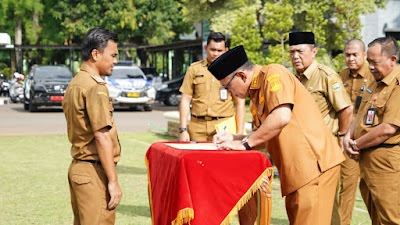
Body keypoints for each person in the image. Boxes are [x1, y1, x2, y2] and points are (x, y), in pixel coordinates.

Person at [209, 45, 345, 225]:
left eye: (227, 86)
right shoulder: (256, 94)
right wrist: (236, 138)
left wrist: (245, 144)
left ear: (241, 76)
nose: (228, 93)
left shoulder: (273, 74)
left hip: (313, 166)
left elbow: (281, 117)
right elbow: (267, 134)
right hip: (297, 171)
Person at [289, 31, 353, 225]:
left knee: (326, 201)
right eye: (292, 52)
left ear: (314, 51)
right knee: (306, 201)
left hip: (324, 148)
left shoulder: (326, 75)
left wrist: (341, 136)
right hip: (303, 150)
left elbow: (346, 109)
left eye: (300, 51)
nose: (295, 56)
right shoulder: (294, 78)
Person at [62, 27, 122, 225]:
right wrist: (113, 182)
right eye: (112, 55)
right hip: (93, 172)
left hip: (79, 169)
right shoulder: (95, 87)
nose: (115, 61)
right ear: (95, 54)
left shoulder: (76, 83)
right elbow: (102, 136)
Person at [343, 37, 400, 224]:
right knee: (376, 218)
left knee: (391, 218)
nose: (371, 67)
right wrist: (348, 137)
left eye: (375, 62)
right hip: (367, 162)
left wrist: (356, 144)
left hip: (386, 165)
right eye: (369, 62)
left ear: (392, 59)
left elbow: (388, 128)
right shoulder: (376, 82)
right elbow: (360, 114)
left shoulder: (397, 85)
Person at [179, 32, 245, 142]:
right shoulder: (194, 69)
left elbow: (240, 103)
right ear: (205, 48)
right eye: (212, 50)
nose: (215, 54)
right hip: (197, 127)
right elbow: (185, 99)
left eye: (219, 51)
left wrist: (239, 133)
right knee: (197, 158)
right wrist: (183, 129)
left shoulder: (233, 71)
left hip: (224, 126)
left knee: (222, 159)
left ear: (226, 51)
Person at [337, 39, 375, 225]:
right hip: (346, 140)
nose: (350, 58)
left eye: (355, 55)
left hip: (370, 139)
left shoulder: (374, 75)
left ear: (364, 55)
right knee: (347, 185)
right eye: (347, 55)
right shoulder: (340, 76)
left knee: (371, 189)